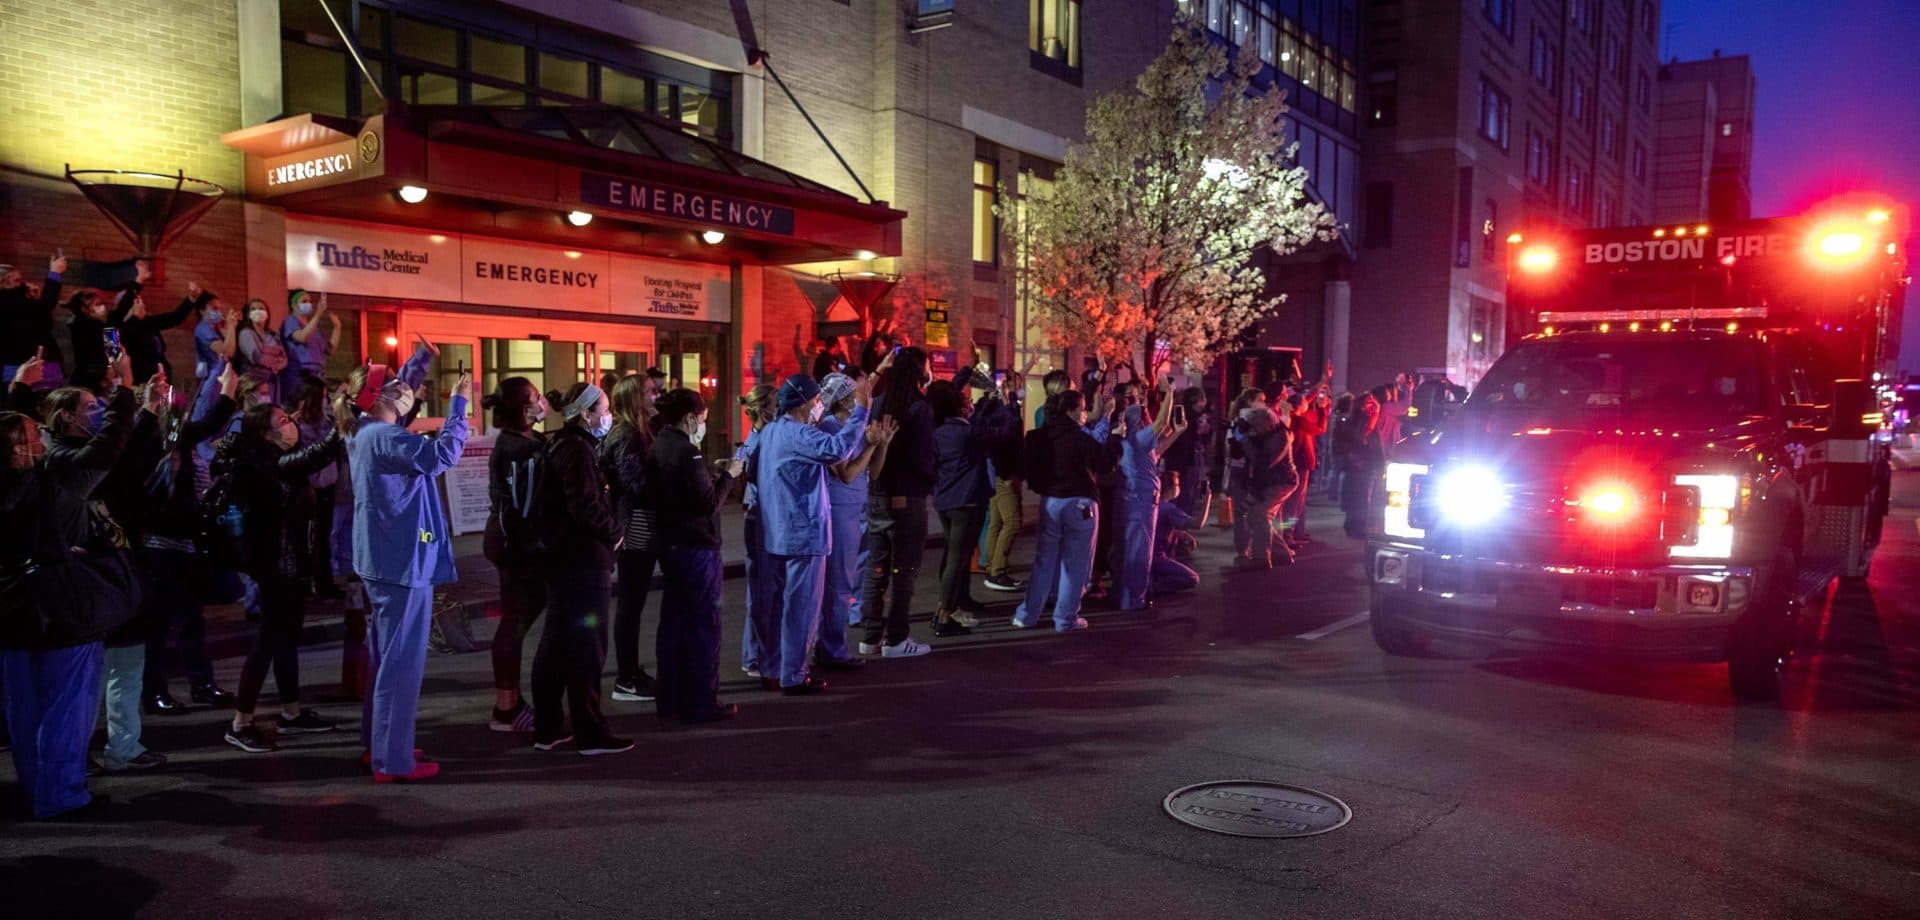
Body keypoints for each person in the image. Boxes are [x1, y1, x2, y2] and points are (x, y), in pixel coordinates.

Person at [0, 363, 147, 819]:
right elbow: (106, 452)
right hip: (58, 605)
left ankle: (34, 787)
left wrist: (19, 388)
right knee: (66, 706)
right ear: (22, 448)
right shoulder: (49, 478)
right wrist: (124, 393)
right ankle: (62, 793)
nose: (43, 438)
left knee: (24, 709)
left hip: (10, 609)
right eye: (34, 435)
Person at [343, 356, 468, 782]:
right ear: (380, 395)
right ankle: (392, 762)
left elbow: (390, 396)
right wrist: (457, 407)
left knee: (384, 661)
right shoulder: (385, 436)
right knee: (401, 666)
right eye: (398, 383)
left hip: (381, 558)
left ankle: (380, 745)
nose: (406, 388)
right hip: (401, 561)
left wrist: (420, 362)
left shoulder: (363, 431)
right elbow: (442, 456)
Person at [214, 395, 345, 753]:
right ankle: (241, 722)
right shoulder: (261, 466)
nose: (292, 424)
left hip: (291, 567)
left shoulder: (277, 460)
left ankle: (291, 713)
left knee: (287, 639)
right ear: (265, 434)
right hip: (274, 568)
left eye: (290, 417)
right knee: (267, 642)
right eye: (283, 420)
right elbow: (314, 456)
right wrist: (341, 426)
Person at [755, 373, 872, 694]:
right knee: (801, 608)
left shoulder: (772, 432)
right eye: (816, 399)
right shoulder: (797, 433)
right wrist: (862, 410)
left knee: (780, 606)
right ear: (806, 402)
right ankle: (793, 674)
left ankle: (774, 667)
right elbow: (838, 450)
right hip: (803, 532)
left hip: (779, 530)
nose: (820, 404)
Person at [135, 363, 241, 716]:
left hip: (186, 542)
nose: (171, 404)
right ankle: (153, 692)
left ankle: (202, 683)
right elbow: (207, 423)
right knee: (159, 624)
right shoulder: (149, 439)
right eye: (164, 400)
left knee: (192, 619)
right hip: (159, 545)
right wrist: (227, 391)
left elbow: (202, 427)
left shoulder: (175, 438)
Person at [531, 382, 631, 755]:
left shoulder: (564, 445)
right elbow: (585, 506)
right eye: (603, 408)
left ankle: (549, 728)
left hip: (564, 561)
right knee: (587, 649)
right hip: (582, 563)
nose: (608, 416)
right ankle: (590, 732)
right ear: (586, 414)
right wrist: (615, 533)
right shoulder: (577, 451)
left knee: (557, 645)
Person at [647, 388, 742, 724]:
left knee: (673, 627)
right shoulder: (687, 452)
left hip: (672, 546)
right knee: (703, 627)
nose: (704, 424)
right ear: (690, 418)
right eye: (703, 418)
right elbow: (706, 504)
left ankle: (670, 700)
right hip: (696, 548)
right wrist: (730, 475)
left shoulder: (660, 444)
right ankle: (701, 700)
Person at [1012, 389, 1113, 633]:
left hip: (1051, 502)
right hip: (1080, 503)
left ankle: (1027, 615)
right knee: (1075, 564)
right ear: (1071, 411)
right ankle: (1065, 618)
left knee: (1044, 561)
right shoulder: (1080, 438)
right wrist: (1115, 439)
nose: (1085, 413)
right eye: (1083, 408)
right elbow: (1105, 463)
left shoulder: (1041, 436)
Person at [858, 346, 936, 659]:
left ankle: (870, 636)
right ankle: (897, 638)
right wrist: (930, 480)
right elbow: (924, 457)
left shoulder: (877, 404)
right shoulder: (920, 409)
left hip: (877, 494)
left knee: (876, 569)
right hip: (908, 496)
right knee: (903, 571)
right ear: (920, 371)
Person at [482, 378, 549, 733]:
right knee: (514, 624)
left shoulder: (522, 442)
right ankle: (506, 709)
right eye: (537, 399)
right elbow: (525, 507)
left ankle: (509, 705)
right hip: (517, 546)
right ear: (524, 409)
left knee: (515, 622)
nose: (542, 404)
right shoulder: (519, 449)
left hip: (512, 542)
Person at [815, 371, 893, 671]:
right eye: (855, 396)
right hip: (838, 511)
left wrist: (881, 443)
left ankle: (830, 645)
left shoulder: (852, 426)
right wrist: (871, 445)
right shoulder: (830, 428)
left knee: (844, 581)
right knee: (838, 584)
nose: (862, 400)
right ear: (842, 400)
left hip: (854, 508)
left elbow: (872, 473)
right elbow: (846, 473)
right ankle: (831, 648)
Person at [929, 377, 1016, 633]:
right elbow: (1004, 433)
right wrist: (1009, 405)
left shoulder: (939, 431)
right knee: (957, 559)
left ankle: (949, 608)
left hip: (945, 499)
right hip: (966, 501)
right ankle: (944, 614)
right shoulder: (966, 432)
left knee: (951, 556)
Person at [599, 374, 660, 704]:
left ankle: (632, 672)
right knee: (630, 603)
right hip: (634, 526)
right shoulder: (628, 435)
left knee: (634, 602)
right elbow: (634, 483)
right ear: (634, 398)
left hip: (639, 523)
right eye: (649, 392)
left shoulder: (640, 431)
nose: (656, 395)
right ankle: (626, 677)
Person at [1112, 379, 1184, 611]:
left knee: (1129, 550)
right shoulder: (1135, 437)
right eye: (1144, 416)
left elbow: (1158, 450)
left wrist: (1178, 432)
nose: (1148, 419)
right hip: (1140, 501)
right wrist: (1169, 393)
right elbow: (1162, 422)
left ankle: (1124, 596)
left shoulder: (1135, 442)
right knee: (1138, 551)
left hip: (1135, 499)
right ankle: (1133, 600)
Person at [736, 384, 780, 680]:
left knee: (762, 589)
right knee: (762, 591)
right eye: (776, 404)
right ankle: (757, 657)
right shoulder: (762, 441)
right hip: (761, 520)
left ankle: (755, 655)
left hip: (760, 517)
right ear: (764, 409)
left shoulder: (758, 439)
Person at [1234, 401, 1297, 569]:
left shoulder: (1280, 436)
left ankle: (1261, 559)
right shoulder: (1269, 434)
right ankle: (1282, 554)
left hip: (1282, 481)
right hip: (1271, 481)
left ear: (1266, 424)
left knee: (1260, 515)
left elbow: (1263, 462)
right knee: (1257, 516)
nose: (1253, 430)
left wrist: (1246, 440)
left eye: (1255, 426)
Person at [981, 371, 1027, 593]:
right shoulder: (1004, 410)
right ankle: (997, 572)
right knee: (1013, 522)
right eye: (1018, 384)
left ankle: (992, 568)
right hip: (1004, 474)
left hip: (1001, 472)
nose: (1022, 389)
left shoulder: (1002, 408)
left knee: (997, 523)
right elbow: (1006, 440)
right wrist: (1008, 473)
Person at [0, 252, 66, 374]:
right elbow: (46, 305)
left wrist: (32, 299)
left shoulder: (22, 302)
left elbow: (44, 323)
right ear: (3, 282)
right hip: (20, 365)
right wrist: (54, 274)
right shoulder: (7, 302)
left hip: (37, 361)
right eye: (17, 281)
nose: (23, 285)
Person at [1336, 392, 1386, 539]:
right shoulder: (1358, 419)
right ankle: (1356, 527)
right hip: (1359, 463)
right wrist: (1374, 415)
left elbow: (1374, 441)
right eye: (1369, 402)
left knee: (1361, 495)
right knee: (1360, 496)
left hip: (1364, 462)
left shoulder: (1362, 418)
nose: (1373, 406)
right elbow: (1362, 437)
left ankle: (1356, 526)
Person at [279, 289, 339, 398]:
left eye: (310, 301)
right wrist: (318, 314)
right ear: (293, 305)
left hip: (317, 377)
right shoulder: (290, 322)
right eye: (304, 301)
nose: (308, 304)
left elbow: (330, 350)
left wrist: (337, 327)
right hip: (299, 376)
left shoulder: (313, 329)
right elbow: (302, 337)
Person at [1151, 472, 1201, 595]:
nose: (1179, 488)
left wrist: (1182, 534)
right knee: (1193, 578)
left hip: (1149, 557)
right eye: (1177, 485)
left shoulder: (1153, 505)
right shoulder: (1169, 508)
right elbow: (1198, 524)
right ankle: (1155, 585)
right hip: (1158, 558)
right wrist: (1208, 499)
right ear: (1169, 488)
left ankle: (1153, 579)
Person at [234, 298, 289, 403]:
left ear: (267, 313)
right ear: (248, 314)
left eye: (261, 308)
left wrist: (265, 351)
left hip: (272, 381)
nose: (257, 311)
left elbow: (284, 358)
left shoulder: (273, 335)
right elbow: (257, 357)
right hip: (253, 382)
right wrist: (275, 357)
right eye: (253, 309)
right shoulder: (246, 333)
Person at [189, 286, 238, 381]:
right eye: (214, 309)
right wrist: (231, 326)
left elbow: (231, 351)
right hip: (211, 379)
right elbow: (226, 351)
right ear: (202, 310)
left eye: (219, 309)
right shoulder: (203, 329)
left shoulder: (216, 328)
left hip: (221, 377)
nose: (219, 312)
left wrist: (228, 328)